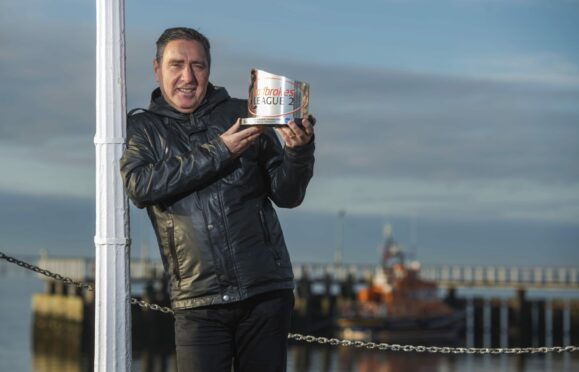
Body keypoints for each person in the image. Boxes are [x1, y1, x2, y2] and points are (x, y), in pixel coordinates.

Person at [120, 27, 315, 372]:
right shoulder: (142, 129)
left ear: (209, 69)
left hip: (266, 292)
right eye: (176, 65)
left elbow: (288, 195)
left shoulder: (244, 114)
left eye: (198, 66)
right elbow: (140, 186)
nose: (188, 77)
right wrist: (219, 151)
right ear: (157, 69)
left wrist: (299, 153)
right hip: (198, 301)